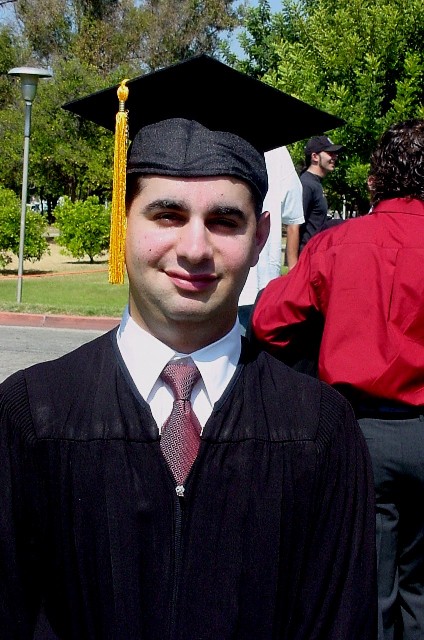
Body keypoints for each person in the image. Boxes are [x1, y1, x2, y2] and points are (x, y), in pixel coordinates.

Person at [0, 55, 376, 639]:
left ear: (260, 235)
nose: (195, 248)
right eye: (167, 215)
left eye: (224, 220)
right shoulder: (33, 415)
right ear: (122, 221)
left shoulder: (319, 429)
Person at [252, 118, 424, 640]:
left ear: (376, 178)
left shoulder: (338, 244)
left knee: (368, 587)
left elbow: (269, 321)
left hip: (361, 432)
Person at [238, 145, 304, 332]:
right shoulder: (278, 152)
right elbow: (294, 219)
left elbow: (294, 219)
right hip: (261, 288)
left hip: (245, 288)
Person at [299, 135, 343, 252]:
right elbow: (294, 226)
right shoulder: (306, 184)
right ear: (315, 156)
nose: (335, 157)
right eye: (330, 153)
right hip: (305, 255)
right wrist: (293, 262)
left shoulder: (316, 183)